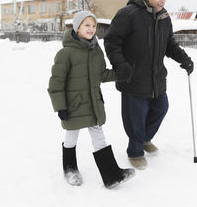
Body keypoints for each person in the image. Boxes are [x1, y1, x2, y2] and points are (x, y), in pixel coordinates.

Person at [104, 0, 194, 170]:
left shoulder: (164, 18)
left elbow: (169, 44)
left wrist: (184, 59)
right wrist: (121, 65)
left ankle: (144, 139)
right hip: (133, 76)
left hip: (156, 77)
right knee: (135, 116)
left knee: (161, 107)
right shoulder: (128, 14)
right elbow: (112, 41)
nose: (163, 0)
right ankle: (135, 151)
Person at [47, 10, 135, 188]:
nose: (91, 29)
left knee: (99, 137)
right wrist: (60, 107)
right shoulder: (66, 53)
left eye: (94, 26)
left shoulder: (96, 50)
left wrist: (119, 74)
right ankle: (70, 169)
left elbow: (101, 74)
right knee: (71, 137)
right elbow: (56, 83)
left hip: (94, 104)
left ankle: (111, 176)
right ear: (77, 27)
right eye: (87, 25)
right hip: (73, 106)